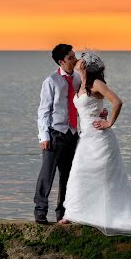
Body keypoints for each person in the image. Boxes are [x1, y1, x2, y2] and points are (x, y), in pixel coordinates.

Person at [63, 51, 131, 243]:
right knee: (79, 174)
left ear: (86, 64)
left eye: (80, 58)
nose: (77, 60)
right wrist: (102, 111)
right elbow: (92, 106)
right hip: (86, 139)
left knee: (105, 179)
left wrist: (109, 122)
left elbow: (117, 101)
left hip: (101, 139)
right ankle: (74, 213)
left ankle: (109, 215)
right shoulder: (80, 84)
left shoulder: (96, 83)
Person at [34, 44, 107, 224]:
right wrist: (43, 136)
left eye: (75, 56)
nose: (75, 60)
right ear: (61, 61)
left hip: (73, 134)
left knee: (68, 176)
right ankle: (40, 212)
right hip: (54, 134)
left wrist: (100, 113)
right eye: (71, 58)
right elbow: (43, 111)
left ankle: (63, 214)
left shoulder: (78, 79)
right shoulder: (50, 81)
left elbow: (86, 100)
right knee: (47, 174)